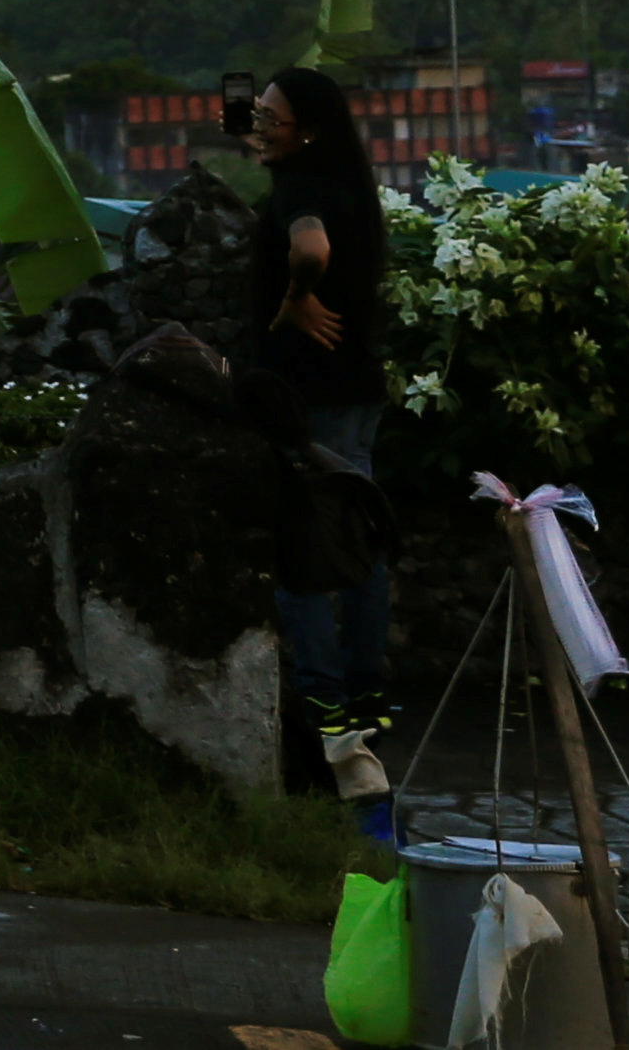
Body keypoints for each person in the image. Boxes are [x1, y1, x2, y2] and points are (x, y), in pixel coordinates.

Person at [242, 68, 395, 753]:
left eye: (272, 117)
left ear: (307, 129)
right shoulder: (354, 190)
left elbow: (311, 246)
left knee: (302, 543)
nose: (259, 126)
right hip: (358, 385)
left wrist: (298, 294)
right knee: (360, 535)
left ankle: (323, 700)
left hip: (308, 393)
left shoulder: (299, 189)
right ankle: (368, 694)